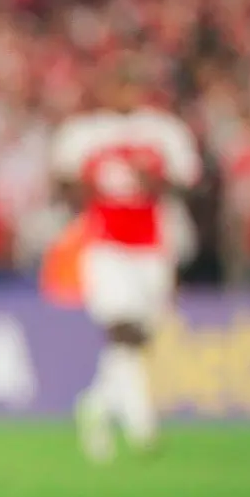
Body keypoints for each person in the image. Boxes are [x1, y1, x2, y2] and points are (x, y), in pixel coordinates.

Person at [52, 61, 200, 462]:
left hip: (152, 247)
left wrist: (154, 180)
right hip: (105, 246)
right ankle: (142, 427)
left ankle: (96, 407)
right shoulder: (83, 133)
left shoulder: (162, 131)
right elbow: (61, 185)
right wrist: (84, 188)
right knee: (122, 331)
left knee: (140, 340)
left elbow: (188, 182)